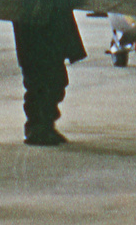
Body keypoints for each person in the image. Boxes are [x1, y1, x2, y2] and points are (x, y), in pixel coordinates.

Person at [14, 11, 88, 146]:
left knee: (54, 79)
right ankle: (38, 127)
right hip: (34, 17)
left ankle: (43, 125)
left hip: (46, 14)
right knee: (42, 77)